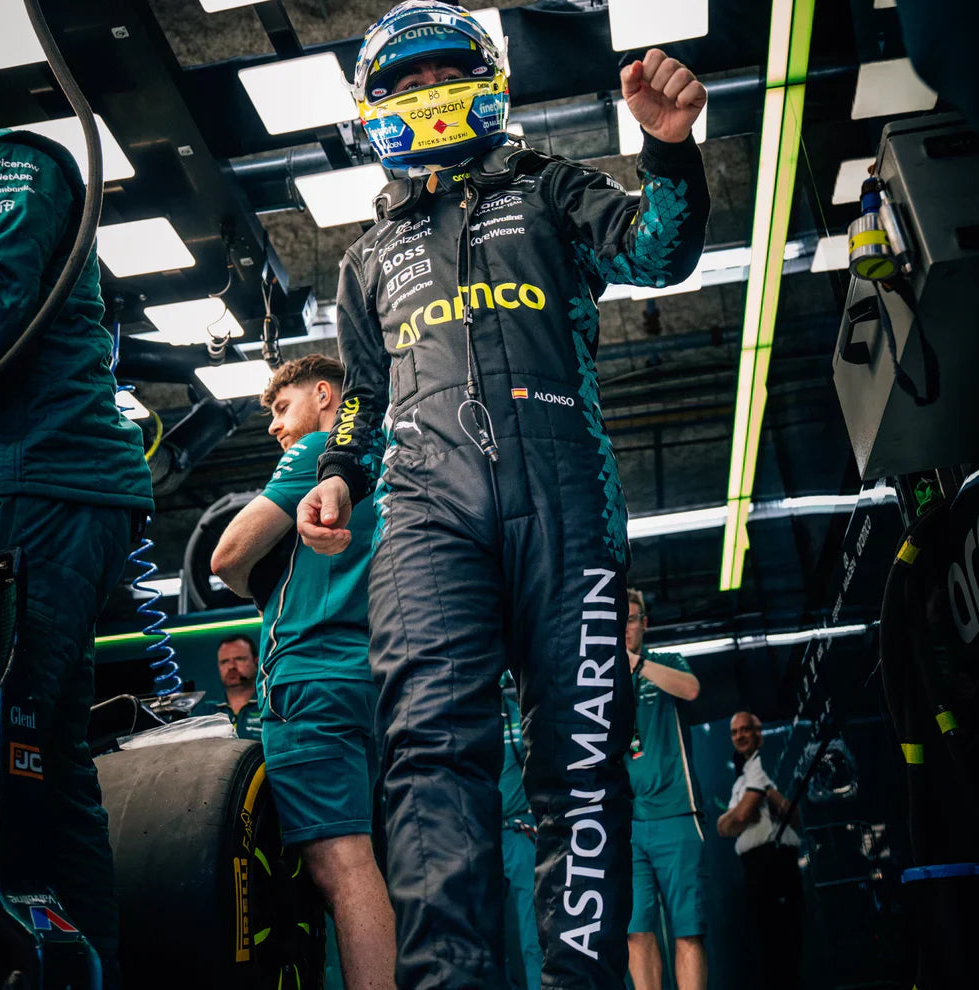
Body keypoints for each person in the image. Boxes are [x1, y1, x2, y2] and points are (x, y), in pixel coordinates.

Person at [295, 3, 710, 986]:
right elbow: (361, 396)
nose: (425, 93)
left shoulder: (550, 187)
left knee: (580, 773)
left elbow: (658, 250)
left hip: (570, 504)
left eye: (444, 71)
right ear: (373, 109)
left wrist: (670, 149)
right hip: (428, 524)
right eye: (402, 82)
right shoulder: (365, 261)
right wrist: (337, 477)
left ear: (487, 82)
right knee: (432, 764)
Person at [0, 127, 154, 988]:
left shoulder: (15, 160)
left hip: (44, 480)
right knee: (46, 759)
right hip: (36, 485)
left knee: (12, 741)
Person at [211, 354, 395, 990]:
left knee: (341, 867)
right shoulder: (393, 458)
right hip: (377, 682)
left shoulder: (320, 452)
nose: (274, 427)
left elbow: (227, 554)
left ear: (325, 396)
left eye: (280, 408)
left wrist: (262, 582)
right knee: (378, 867)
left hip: (311, 679)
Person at [624, 589, 707, 990]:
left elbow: (691, 689)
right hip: (627, 825)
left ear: (644, 624)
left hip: (676, 815)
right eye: (616, 620)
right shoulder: (598, 682)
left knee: (686, 929)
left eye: (631, 618)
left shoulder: (665, 662)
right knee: (636, 931)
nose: (624, 628)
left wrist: (636, 665)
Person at [716, 711, 803, 990]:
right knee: (764, 949)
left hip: (777, 864)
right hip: (754, 869)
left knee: (784, 947)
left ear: (758, 733)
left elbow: (741, 817)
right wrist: (736, 816)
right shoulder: (742, 778)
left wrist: (743, 812)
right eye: (735, 732)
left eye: (745, 729)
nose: (739, 736)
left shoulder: (762, 765)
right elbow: (724, 826)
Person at [499, 673, 542, 990]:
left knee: (531, 935)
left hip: (520, 832)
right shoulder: (459, 717)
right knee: (486, 934)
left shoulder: (517, 709)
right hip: (477, 838)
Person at [192, 634, 263, 739]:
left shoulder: (269, 706)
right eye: (224, 661)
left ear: (256, 662)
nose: (231, 666)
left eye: (239, 659)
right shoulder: (204, 713)